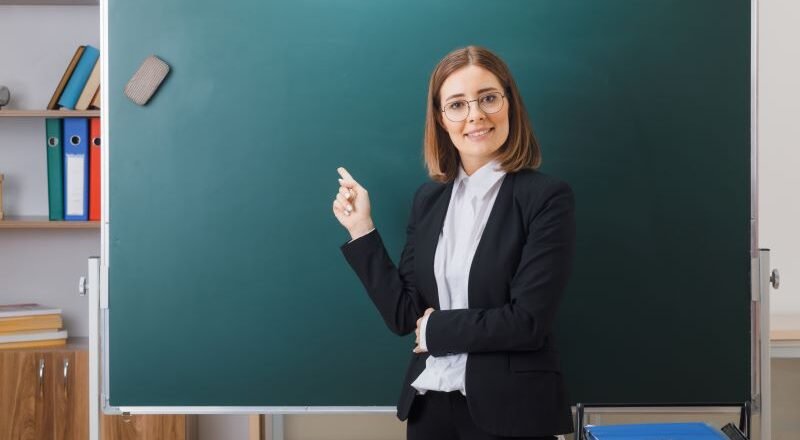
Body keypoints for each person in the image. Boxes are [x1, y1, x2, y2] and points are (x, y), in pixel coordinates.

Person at [332, 46, 575, 440]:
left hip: (511, 412)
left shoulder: (546, 198)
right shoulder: (428, 200)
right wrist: (361, 229)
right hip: (430, 409)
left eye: (488, 98)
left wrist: (435, 331)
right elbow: (404, 316)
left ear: (510, 104)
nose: (475, 115)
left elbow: (528, 321)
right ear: (442, 120)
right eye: (457, 105)